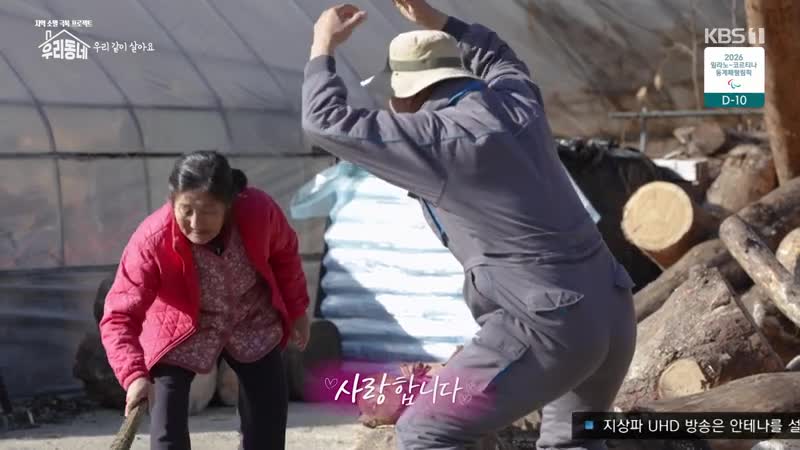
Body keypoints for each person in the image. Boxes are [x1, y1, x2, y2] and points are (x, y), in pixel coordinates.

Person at [301, 1, 637, 449]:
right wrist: (436, 20)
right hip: (612, 307)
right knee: (571, 442)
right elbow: (497, 54)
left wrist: (322, 43)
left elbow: (324, 122)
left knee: (425, 428)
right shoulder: (518, 100)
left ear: (405, 96)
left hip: (548, 322)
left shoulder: (433, 136)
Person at [99, 150, 310, 450]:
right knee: (166, 426)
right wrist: (133, 375)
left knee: (268, 415)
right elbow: (119, 315)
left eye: (209, 211)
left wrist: (297, 309)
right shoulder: (152, 239)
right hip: (178, 327)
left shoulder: (258, 212)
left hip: (252, 318)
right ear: (172, 201)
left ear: (229, 204)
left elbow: (284, 255)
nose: (196, 222)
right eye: (186, 210)